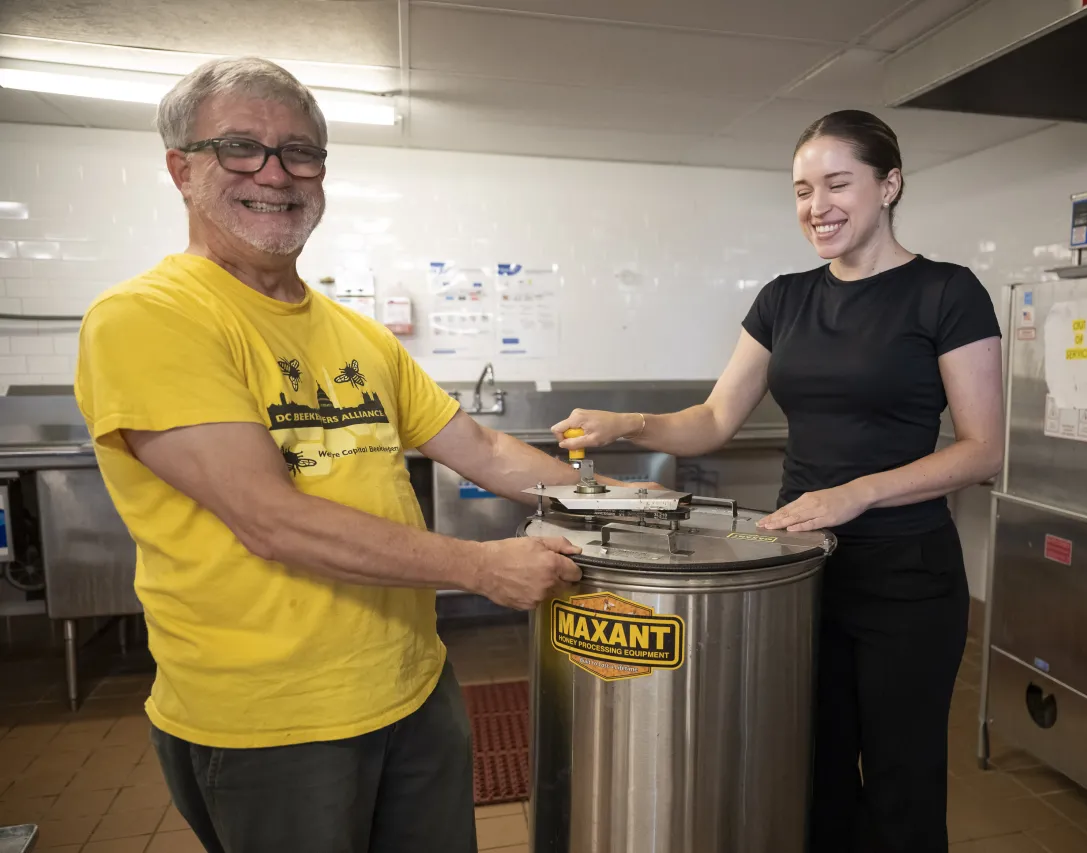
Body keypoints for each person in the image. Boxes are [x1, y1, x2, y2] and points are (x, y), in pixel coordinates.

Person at [73, 57, 637, 853]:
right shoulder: (149, 317)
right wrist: (482, 566)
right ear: (181, 168)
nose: (275, 173)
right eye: (241, 147)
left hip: (412, 686)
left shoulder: (355, 334)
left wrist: (629, 502)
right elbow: (272, 521)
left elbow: (476, 446)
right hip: (274, 717)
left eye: (300, 152)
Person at [551, 110, 1004, 852]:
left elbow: (983, 451)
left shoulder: (947, 293)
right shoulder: (785, 298)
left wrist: (855, 492)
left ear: (889, 185)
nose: (815, 206)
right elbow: (713, 419)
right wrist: (626, 422)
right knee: (811, 769)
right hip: (799, 570)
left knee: (902, 777)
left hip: (907, 575)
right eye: (801, 190)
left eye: (836, 183)